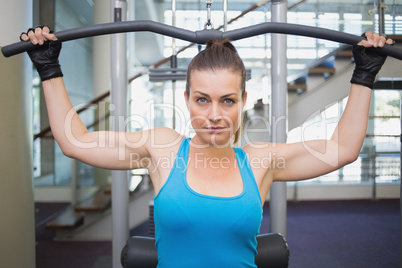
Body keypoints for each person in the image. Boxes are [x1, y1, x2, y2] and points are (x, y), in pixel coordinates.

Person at [20, 26, 393, 268]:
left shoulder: (262, 161)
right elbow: (75, 141)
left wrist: (363, 77)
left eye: (227, 101)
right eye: (202, 100)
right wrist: (49, 69)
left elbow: (342, 148)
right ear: (186, 98)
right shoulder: (162, 148)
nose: (214, 115)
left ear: (244, 99)